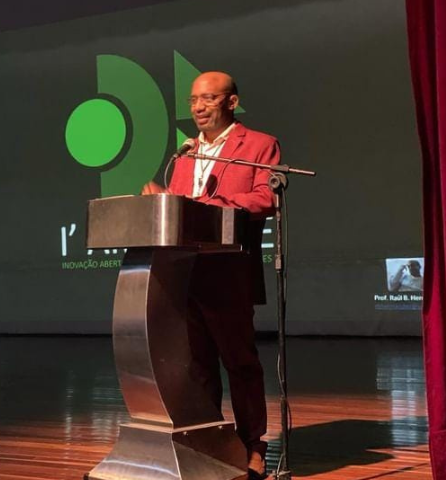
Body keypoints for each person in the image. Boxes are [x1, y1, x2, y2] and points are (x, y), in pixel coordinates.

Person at [142, 71, 280, 480]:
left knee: (240, 362)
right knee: (198, 367)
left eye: (209, 99)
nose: (199, 108)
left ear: (231, 102)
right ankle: (212, 442)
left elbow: (265, 197)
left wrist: (209, 203)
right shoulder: (184, 155)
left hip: (229, 272)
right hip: (187, 274)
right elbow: (182, 212)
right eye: (193, 101)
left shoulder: (257, 144)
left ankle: (254, 445)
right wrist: (165, 201)